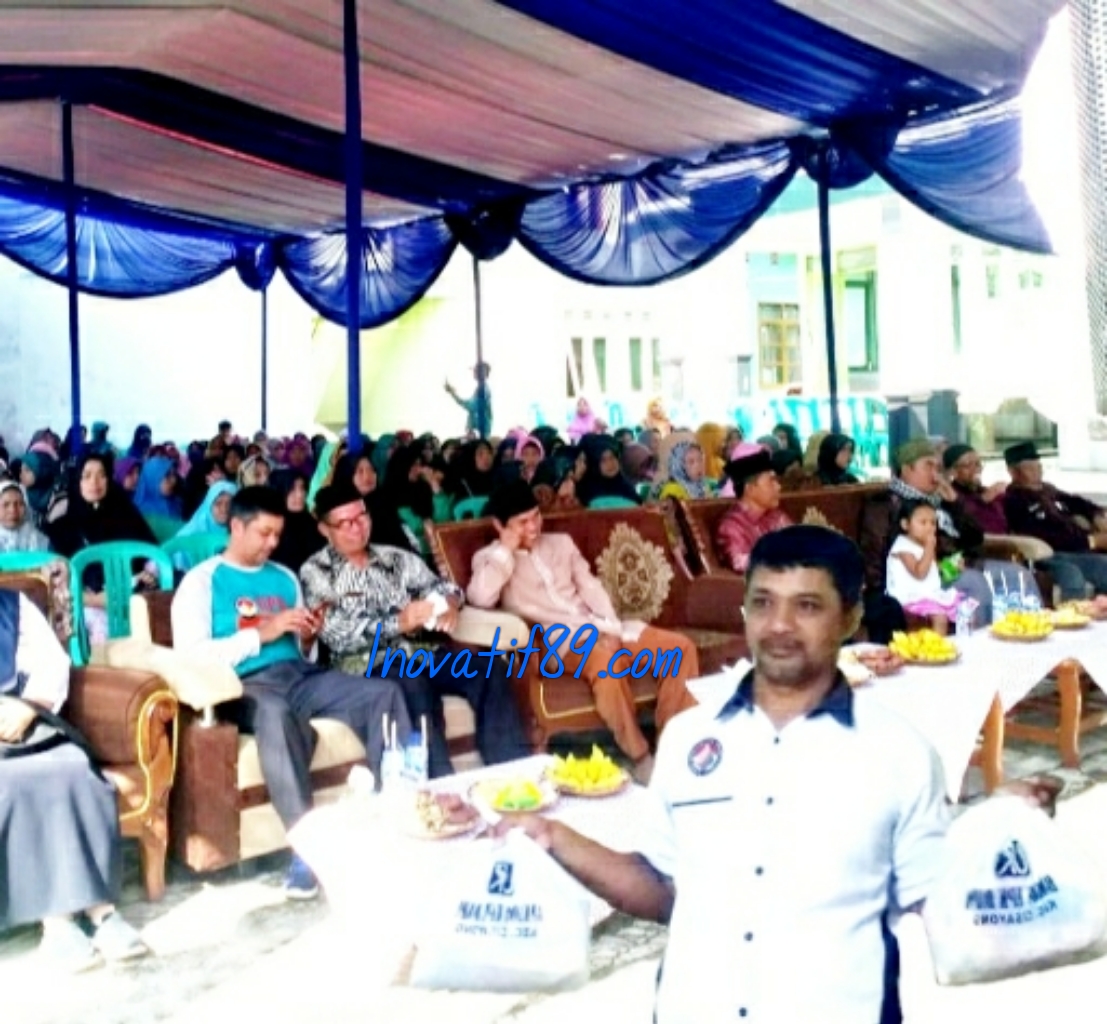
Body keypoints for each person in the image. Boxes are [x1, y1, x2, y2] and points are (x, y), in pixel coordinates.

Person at [496, 526, 1057, 1023]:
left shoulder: (898, 752)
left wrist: (999, 832)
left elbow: (935, 898)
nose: (779, 625)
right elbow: (665, 889)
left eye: (807, 606)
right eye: (762, 603)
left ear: (850, 618)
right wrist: (553, 838)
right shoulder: (689, 740)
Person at [171, 486, 411, 899]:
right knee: (276, 713)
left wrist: (307, 637)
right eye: (264, 533)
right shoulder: (202, 582)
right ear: (236, 526)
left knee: (383, 694)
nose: (272, 543)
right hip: (244, 686)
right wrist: (261, 634)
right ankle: (307, 849)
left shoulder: (284, 577)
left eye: (277, 535)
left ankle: (399, 817)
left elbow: (303, 651)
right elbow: (191, 656)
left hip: (299, 675)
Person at [467, 481, 701, 778]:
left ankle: (673, 748)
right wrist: (506, 550)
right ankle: (639, 755)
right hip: (558, 643)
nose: (534, 526)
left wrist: (612, 628)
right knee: (605, 661)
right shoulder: (490, 558)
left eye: (536, 516)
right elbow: (479, 598)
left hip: (600, 626)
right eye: (522, 522)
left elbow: (591, 588)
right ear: (500, 525)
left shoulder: (561, 543)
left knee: (680, 649)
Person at [300, 483, 530, 777]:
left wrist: (449, 603)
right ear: (324, 529)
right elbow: (336, 633)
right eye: (345, 523)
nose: (357, 528)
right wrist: (399, 622)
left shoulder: (395, 558)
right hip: (367, 664)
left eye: (362, 517)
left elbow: (443, 587)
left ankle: (512, 773)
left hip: (423, 653)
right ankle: (440, 786)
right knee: (412, 683)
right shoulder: (317, 571)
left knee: (489, 668)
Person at [0, 589, 148, 971]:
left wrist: (28, 707)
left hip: (19, 720)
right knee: (16, 783)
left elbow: (52, 663)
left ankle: (102, 912)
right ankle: (58, 926)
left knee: (72, 767)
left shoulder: (13, 606)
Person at [859, 439, 1038, 630]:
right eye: (928, 466)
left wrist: (955, 503)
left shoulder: (939, 499)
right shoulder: (884, 505)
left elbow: (975, 538)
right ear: (906, 469)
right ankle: (977, 643)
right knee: (973, 582)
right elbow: (879, 557)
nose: (935, 474)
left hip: (961, 564)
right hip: (922, 576)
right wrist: (943, 568)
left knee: (1018, 574)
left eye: (937, 467)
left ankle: (1027, 632)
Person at [1003, 440, 1107, 597]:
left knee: (1102, 565)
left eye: (1039, 467)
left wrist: (1096, 515)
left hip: (1075, 549)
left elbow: (1077, 502)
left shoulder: (1047, 490)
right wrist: (1090, 541)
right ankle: (1072, 611)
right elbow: (1041, 535)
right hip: (1047, 554)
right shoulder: (1014, 500)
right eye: (1030, 468)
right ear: (1013, 472)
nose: (1037, 472)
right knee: (1072, 574)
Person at [886, 500, 965, 635]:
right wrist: (929, 547)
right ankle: (936, 646)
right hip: (909, 597)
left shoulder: (925, 545)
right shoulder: (902, 547)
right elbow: (920, 573)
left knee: (964, 609)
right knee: (940, 618)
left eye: (933, 523)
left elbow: (933, 569)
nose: (929, 528)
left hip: (929, 593)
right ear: (905, 524)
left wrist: (952, 567)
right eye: (923, 523)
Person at [716, 447, 792, 572]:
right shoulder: (731, 527)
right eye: (771, 481)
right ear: (750, 488)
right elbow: (740, 563)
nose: (778, 487)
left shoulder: (778, 517)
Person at [269, 469, 325, 574]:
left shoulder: (310, 521)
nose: (300, 495)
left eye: (302, 488)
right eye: (292, 489)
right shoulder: (273, 527)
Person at [576, 436, 642, 506]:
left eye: (612, 457)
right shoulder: (586, 491)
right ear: (594, 464)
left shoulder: (625, 485)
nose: (610, 464)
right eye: (603, 460)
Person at [650, 438, 714, 502]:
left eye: (700, 460)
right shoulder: (672, 491)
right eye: (691, 462)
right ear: (679, 466)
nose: (698, 466)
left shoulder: (702, 485)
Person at [0, 480, 50, 553]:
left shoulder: (35, 537)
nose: (13, 510)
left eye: (19, 504)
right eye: (6, 505)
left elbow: (52, 557)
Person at [444, 361, 493, 437]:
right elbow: (468, 405)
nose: (475, 372)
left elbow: (470, 406)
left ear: (486, 374)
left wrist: (453, 393)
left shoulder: (484, 389)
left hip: (480, 431)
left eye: (479, 370)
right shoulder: (479, 389)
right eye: (475, 370)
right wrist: (452, 393)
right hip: (477, 430)